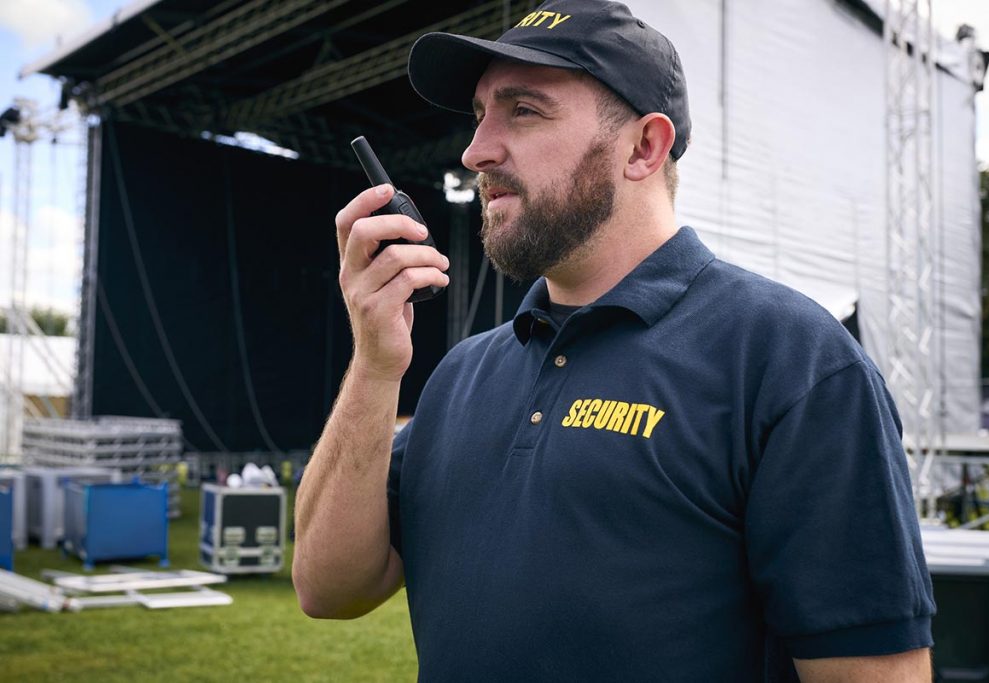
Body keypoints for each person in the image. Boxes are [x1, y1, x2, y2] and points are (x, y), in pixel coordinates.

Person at [292, 1, 936, 680]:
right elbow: (327, 587)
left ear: (644, 147)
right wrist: (374, 363)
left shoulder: (792, 361)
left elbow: (877, 672)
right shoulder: (459, 376)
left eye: (524, 110)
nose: (476, 150)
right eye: (479, 114)